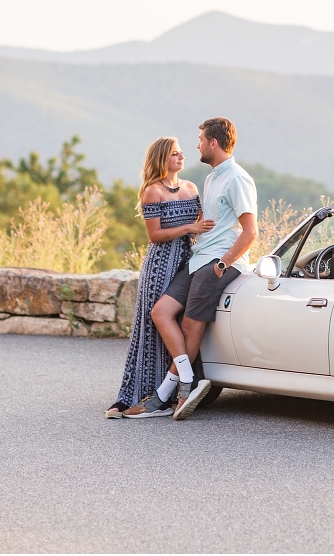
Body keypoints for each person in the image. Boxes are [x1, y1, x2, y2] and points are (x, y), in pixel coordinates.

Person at [150, 116, 257, 420]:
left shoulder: (237, 178)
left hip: (217, 263)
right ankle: (186, 380)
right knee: (160, 312)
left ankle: (172, 393)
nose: (195, 146)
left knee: (189, 325)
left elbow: (250, 232)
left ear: (213, 143)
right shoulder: (211, 178)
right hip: (198, 259)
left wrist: (223, 264)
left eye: (199, 140)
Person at [106, 137, 214, 419]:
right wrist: (191, 226)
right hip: (160, 266)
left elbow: (203, 224)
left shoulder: (190, 187)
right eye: (175, 154)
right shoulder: (152, 191)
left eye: (181, 153)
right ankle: (147, 393)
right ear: (162, 159)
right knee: (153, 327)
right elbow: (154, 236)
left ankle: (174, 389)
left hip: (188, 261)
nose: (181, 157)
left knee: (179, 322)